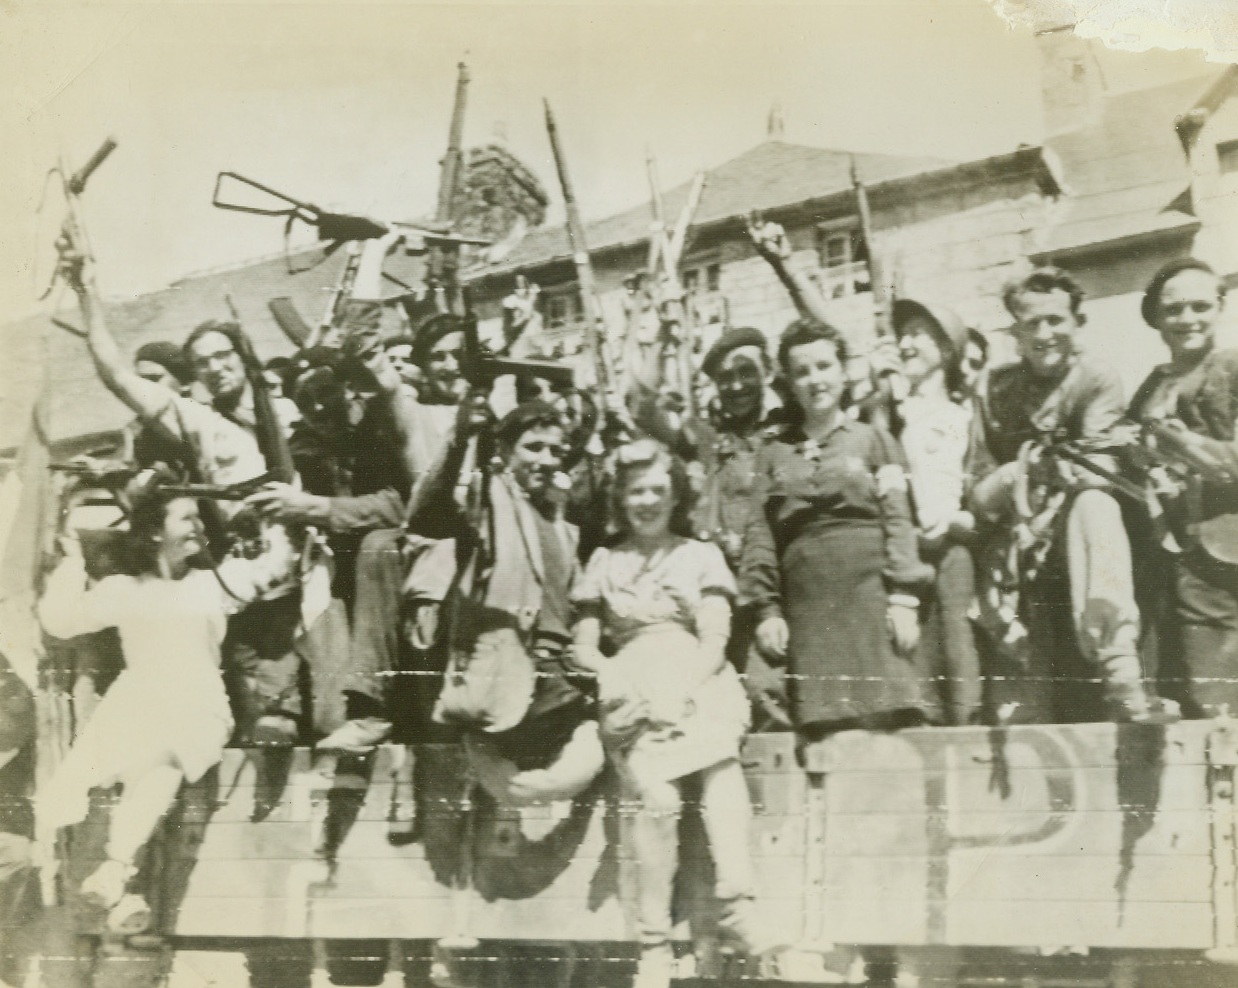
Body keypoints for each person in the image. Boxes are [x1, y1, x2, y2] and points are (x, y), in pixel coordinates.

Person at [36, 474, 293, 934]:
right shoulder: (124, 589)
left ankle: (119, 870)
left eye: (198, 516)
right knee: (117, 777)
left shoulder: (214, 582)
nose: (198, 525)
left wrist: (277, 522)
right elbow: (61, 621)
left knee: (160, 762)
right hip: (138, 702)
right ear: (155, 530)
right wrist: (72, 565)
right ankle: (124, 890)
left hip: (197, 707)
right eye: (187, 517)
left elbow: (275, 569)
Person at [571, 439, 778, 987]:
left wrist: (685, 688)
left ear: (675, 494)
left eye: (658, 489)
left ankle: (736, 898)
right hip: (632, 683)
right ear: (619, 497)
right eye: (635, 490)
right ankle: (654, 945)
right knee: (658, 801)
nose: (647, 500)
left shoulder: (700, 555)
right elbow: (584, 646)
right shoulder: (604, 561)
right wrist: (610, 674)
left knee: (720, 772)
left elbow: (714, 638)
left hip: (696, 677)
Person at [967, 266, 1179, 725]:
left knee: (1096, 502)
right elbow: (979, 496)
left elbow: (1098, 470)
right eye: (1031, 324)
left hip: (1077, 534)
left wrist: (1054, 478)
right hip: (1015, 545)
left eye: (1056, 321)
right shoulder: (993, 389)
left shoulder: (1096, 379)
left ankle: (1119, 657)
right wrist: (1017, 473)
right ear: (1015, 332)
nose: (1044, 334)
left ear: (1077, 323)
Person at [741, 318, 933, 737]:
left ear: (844, 372)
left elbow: (898, 517)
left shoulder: (875, 440)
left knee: (891, 717)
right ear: (789, 383)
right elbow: (759, 535)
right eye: (802, 372)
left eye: (824, 367)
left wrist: (903, 597)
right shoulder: (772, 453)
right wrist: (767, 610)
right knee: (820, 725)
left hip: (871, 589)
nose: (815, 380)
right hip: (807, 600)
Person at [407, 397, 604, 800]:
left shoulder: (564, 527)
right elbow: (428, 513)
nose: (547, 460)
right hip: (509, 675)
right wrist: (461, 438)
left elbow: (581, 602)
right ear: (504, 451)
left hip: (560, 675)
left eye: (556, 451)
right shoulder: (489, 499)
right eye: (534, 447)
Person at [317, 314, 472, 751]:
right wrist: (373, 253)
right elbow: (368, 350)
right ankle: (372, 709)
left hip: (491, 532)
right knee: (379, 548)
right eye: (438, 357)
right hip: (436, 535)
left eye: (458, 354)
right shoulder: (411, 411)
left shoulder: (496, 406)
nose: (450, 365)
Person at [1128, 258, 1236, 717]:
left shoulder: (1231, 367)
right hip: (1173, 555)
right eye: (1174, 310)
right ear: (1155, 317)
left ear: (1220, 307)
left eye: (1200, 306)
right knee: (1195, 697)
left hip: (1227, 546)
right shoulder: (1151, 386)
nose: (1187, 319)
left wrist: (1175, 441)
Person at [891, 299, 983, 725]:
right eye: (902, 334)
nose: (905, 343)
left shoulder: (968, 417)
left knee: (956, 637)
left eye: (918, 334)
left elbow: (983, 496)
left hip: (952, 549)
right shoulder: (891, 415)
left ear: (947, 351)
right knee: (910, 652)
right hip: (903, 550)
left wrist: (955, 522)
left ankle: (966, 724)